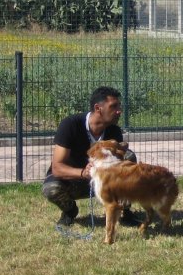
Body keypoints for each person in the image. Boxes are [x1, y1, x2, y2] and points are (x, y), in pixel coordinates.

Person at [42, 86, 140, 226]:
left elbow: (119, 166)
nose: (119, 111)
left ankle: (125, 211)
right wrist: (83, 172)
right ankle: (70, 211)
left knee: (129, 158)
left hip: (102, 180)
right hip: (75, 179)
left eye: (119, 106)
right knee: (51, 188)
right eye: (113, 106)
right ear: (98, 108)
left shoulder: (114, 130)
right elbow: (57, 168)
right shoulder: (70, 125)